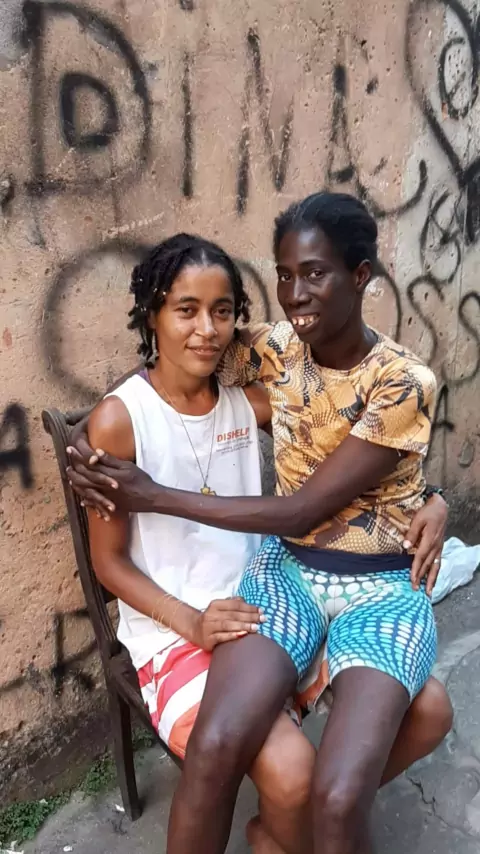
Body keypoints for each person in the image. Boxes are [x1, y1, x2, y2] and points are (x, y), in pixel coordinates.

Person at [67, 200, 451, 854]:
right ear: (153, 313)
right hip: (256, 595)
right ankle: (288, 830)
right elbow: (163, 383)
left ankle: (288, 831)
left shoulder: (270, 393)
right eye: (285, 275)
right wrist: (97, 437)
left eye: (222, 312)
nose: (208, 331)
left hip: (335, 589)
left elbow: (339, 472)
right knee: (241, 752)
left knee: (398, 738)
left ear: (360, 275)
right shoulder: (270, 358)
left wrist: (432, 499)